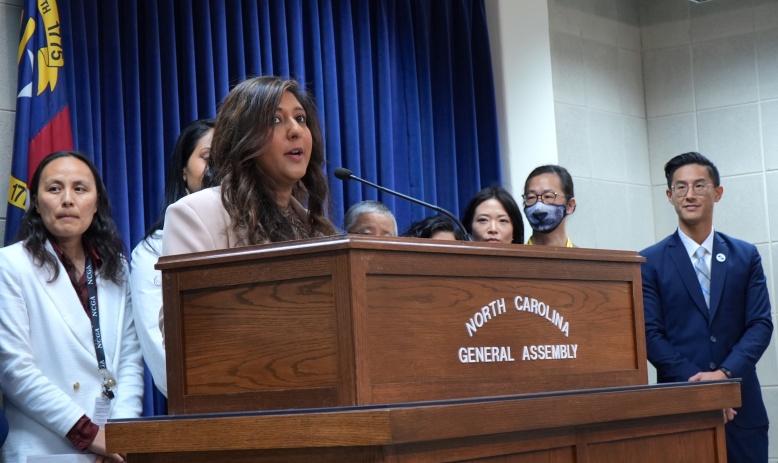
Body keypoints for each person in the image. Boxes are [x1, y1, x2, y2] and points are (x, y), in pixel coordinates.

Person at [0, 151, 144, 463]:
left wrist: (119, 435)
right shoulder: (10, 264)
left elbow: (131, 360)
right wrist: (91, 435)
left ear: (96, 203)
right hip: (43, 448)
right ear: (36, 202)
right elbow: (15, 371)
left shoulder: (115, 267)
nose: (67, 199)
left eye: (80, 189)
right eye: (54, 189)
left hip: (112, 449)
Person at [640, 152, 772, 463]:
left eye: (700, 186)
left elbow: (760, 325)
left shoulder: (745, 255)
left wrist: (724, 376)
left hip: (741, 407)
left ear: (717, 192)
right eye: (681, 187)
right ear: (669, 196)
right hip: (681, 408)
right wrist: (702, 388)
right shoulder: (649, 262)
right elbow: (650, 335)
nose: (690, 195)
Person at [162, 75, 337, 255]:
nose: (296, 130)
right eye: (275, 120)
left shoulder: (317, 229)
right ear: (242, 139)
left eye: (300, 118)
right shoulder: (195, 215)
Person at [130, 119, 214, 398]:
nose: (219, 169)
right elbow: (161, 355)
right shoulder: (153, 252)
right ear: (182, 173)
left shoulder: (254, 235)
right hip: (200, 403)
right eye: (207, 158)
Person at [522, 165, 576, 247]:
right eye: (531, 197)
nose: (538, 207)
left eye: (548, 196)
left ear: (570, 205)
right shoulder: (515, 259)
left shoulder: (583, 259)